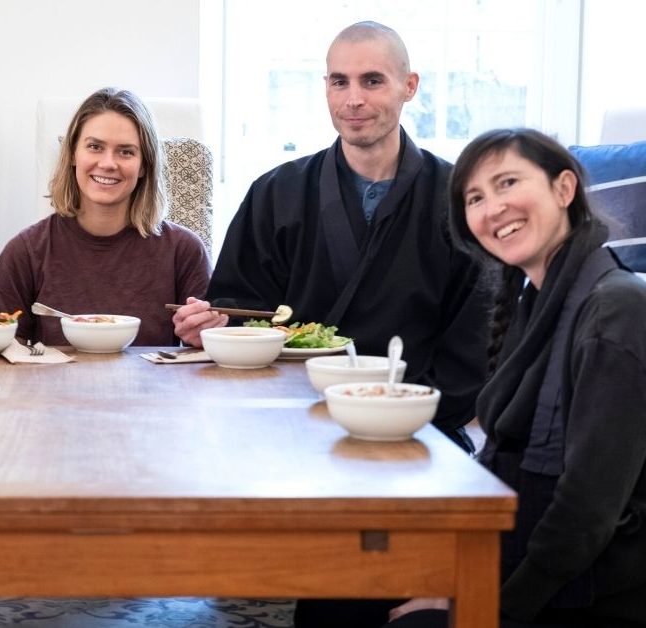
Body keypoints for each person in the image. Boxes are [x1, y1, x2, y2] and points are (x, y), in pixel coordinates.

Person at [370, 129, 646, 628]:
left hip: (592, 592)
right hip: (534, 562)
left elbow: (587, 513)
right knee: (363, 595)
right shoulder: (535, 300)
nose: (492, 207)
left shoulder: (616, 310)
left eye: (508, 183)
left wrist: (484, 605)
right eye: (475, 197)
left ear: (564, 190)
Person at [171, 21, 488, 448]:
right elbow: (239, 309)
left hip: (416, 421)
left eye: (372, 81)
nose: (353, 99)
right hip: (290, 419)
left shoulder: (460, 198)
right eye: (340, 82)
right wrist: (214, 325)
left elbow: (478, 336)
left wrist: (406, 411)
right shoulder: (275, 192)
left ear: (409, 86)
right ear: (325, 87)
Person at [0, 87, 211, 345]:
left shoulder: (184, 251)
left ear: (144, 164)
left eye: (126, 151)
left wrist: (204, 335)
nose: (108, 163)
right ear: (74, 155)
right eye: (95, 147)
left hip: (152, 386)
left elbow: (203, 356)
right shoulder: (27, 250)